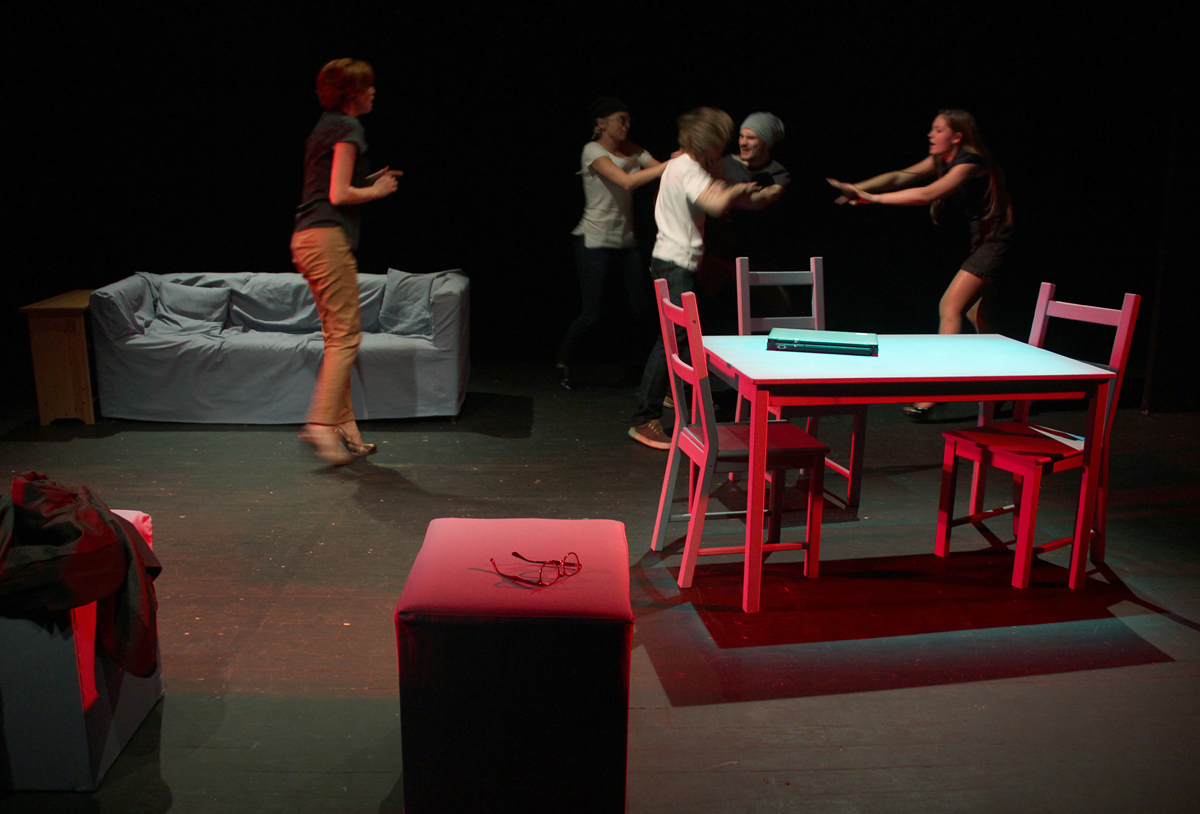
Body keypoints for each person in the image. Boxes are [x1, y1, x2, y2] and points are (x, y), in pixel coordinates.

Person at [827, 108, 1014, 421]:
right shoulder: (943, 159)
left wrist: (873, 199)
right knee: (976, 314)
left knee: (950, 307)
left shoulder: (970, 161)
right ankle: (1006, 382)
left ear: (957, 136)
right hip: (984, 241)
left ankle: (936, 390)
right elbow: (900, 176)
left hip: (997, 242)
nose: (930, 134)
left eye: (938, 129)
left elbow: (929, 193)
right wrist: (858, 187)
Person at [628, 107, 760, 449]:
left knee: (684, 336)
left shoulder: (683, 165)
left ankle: (676, 395)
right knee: (672, 339)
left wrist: (728, 186)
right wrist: (737, 189)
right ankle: (644, 418)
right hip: (675, 264)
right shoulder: (687, 168)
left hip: (674, 261)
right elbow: (715, 204)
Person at [291, 58, 402, 464]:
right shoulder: (348, 127)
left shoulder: (328, 125)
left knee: (336, 336)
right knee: (346, 337)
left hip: (307, 237)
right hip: (326, 238)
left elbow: (328, 186)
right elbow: (338, 194)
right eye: (367, 86)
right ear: (352, 93)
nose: (373, 91)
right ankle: (322, 424)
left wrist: (366, 183)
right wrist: (378, 191)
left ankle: (345, 427)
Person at [556, 98, 669, 390]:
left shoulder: (631, 148)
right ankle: (564, 361)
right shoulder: (592, 150)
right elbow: (626, 181)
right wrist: (672, 164)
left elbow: (660, 169)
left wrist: (675, 163)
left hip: (626, 240)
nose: (626, 125)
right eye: (621, 119)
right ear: (601, 123)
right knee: (592, 314)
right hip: (594, 239)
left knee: (641, 308)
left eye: (629, 120)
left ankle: (640, 367)